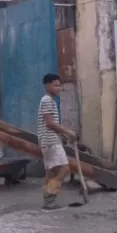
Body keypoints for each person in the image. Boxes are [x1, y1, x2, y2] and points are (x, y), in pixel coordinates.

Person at [38, 73, 79, 210]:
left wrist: (62, 135)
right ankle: (50, 197)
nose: (59, 88)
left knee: (52, 171)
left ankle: (47, 198)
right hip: (50, 141)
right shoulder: (47, 101)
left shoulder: (48, 101)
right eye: (55, 85)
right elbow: (50, 123)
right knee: (64, 168)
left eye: (59, 85)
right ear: (47, 85)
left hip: (49, 140)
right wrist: (68, 132)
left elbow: (49, 124)